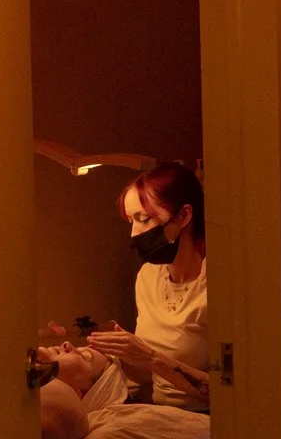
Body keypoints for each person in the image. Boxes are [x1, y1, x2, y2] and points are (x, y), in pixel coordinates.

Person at [89, 161, 209, 412]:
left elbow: (235, 391)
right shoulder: (149, 277)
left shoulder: (219, 284)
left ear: (184, 216)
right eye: (131, 221)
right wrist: (123, 353)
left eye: (143, 219)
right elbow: (147, 376)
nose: (134, 234)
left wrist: (150, 357)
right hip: (162, 413)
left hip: (213, 422)